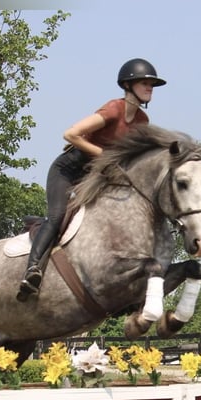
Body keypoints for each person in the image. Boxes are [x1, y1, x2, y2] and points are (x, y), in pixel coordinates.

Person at [17, 58, 166, 302]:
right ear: (128, 85)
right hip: (69, 170)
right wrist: (105, 156)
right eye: (145, 83)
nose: (150, 88)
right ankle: (32, 269)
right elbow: (70, 134)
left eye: (152, 85)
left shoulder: (142, 122)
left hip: (97, 176)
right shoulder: (113, 109)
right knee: (56, 216)